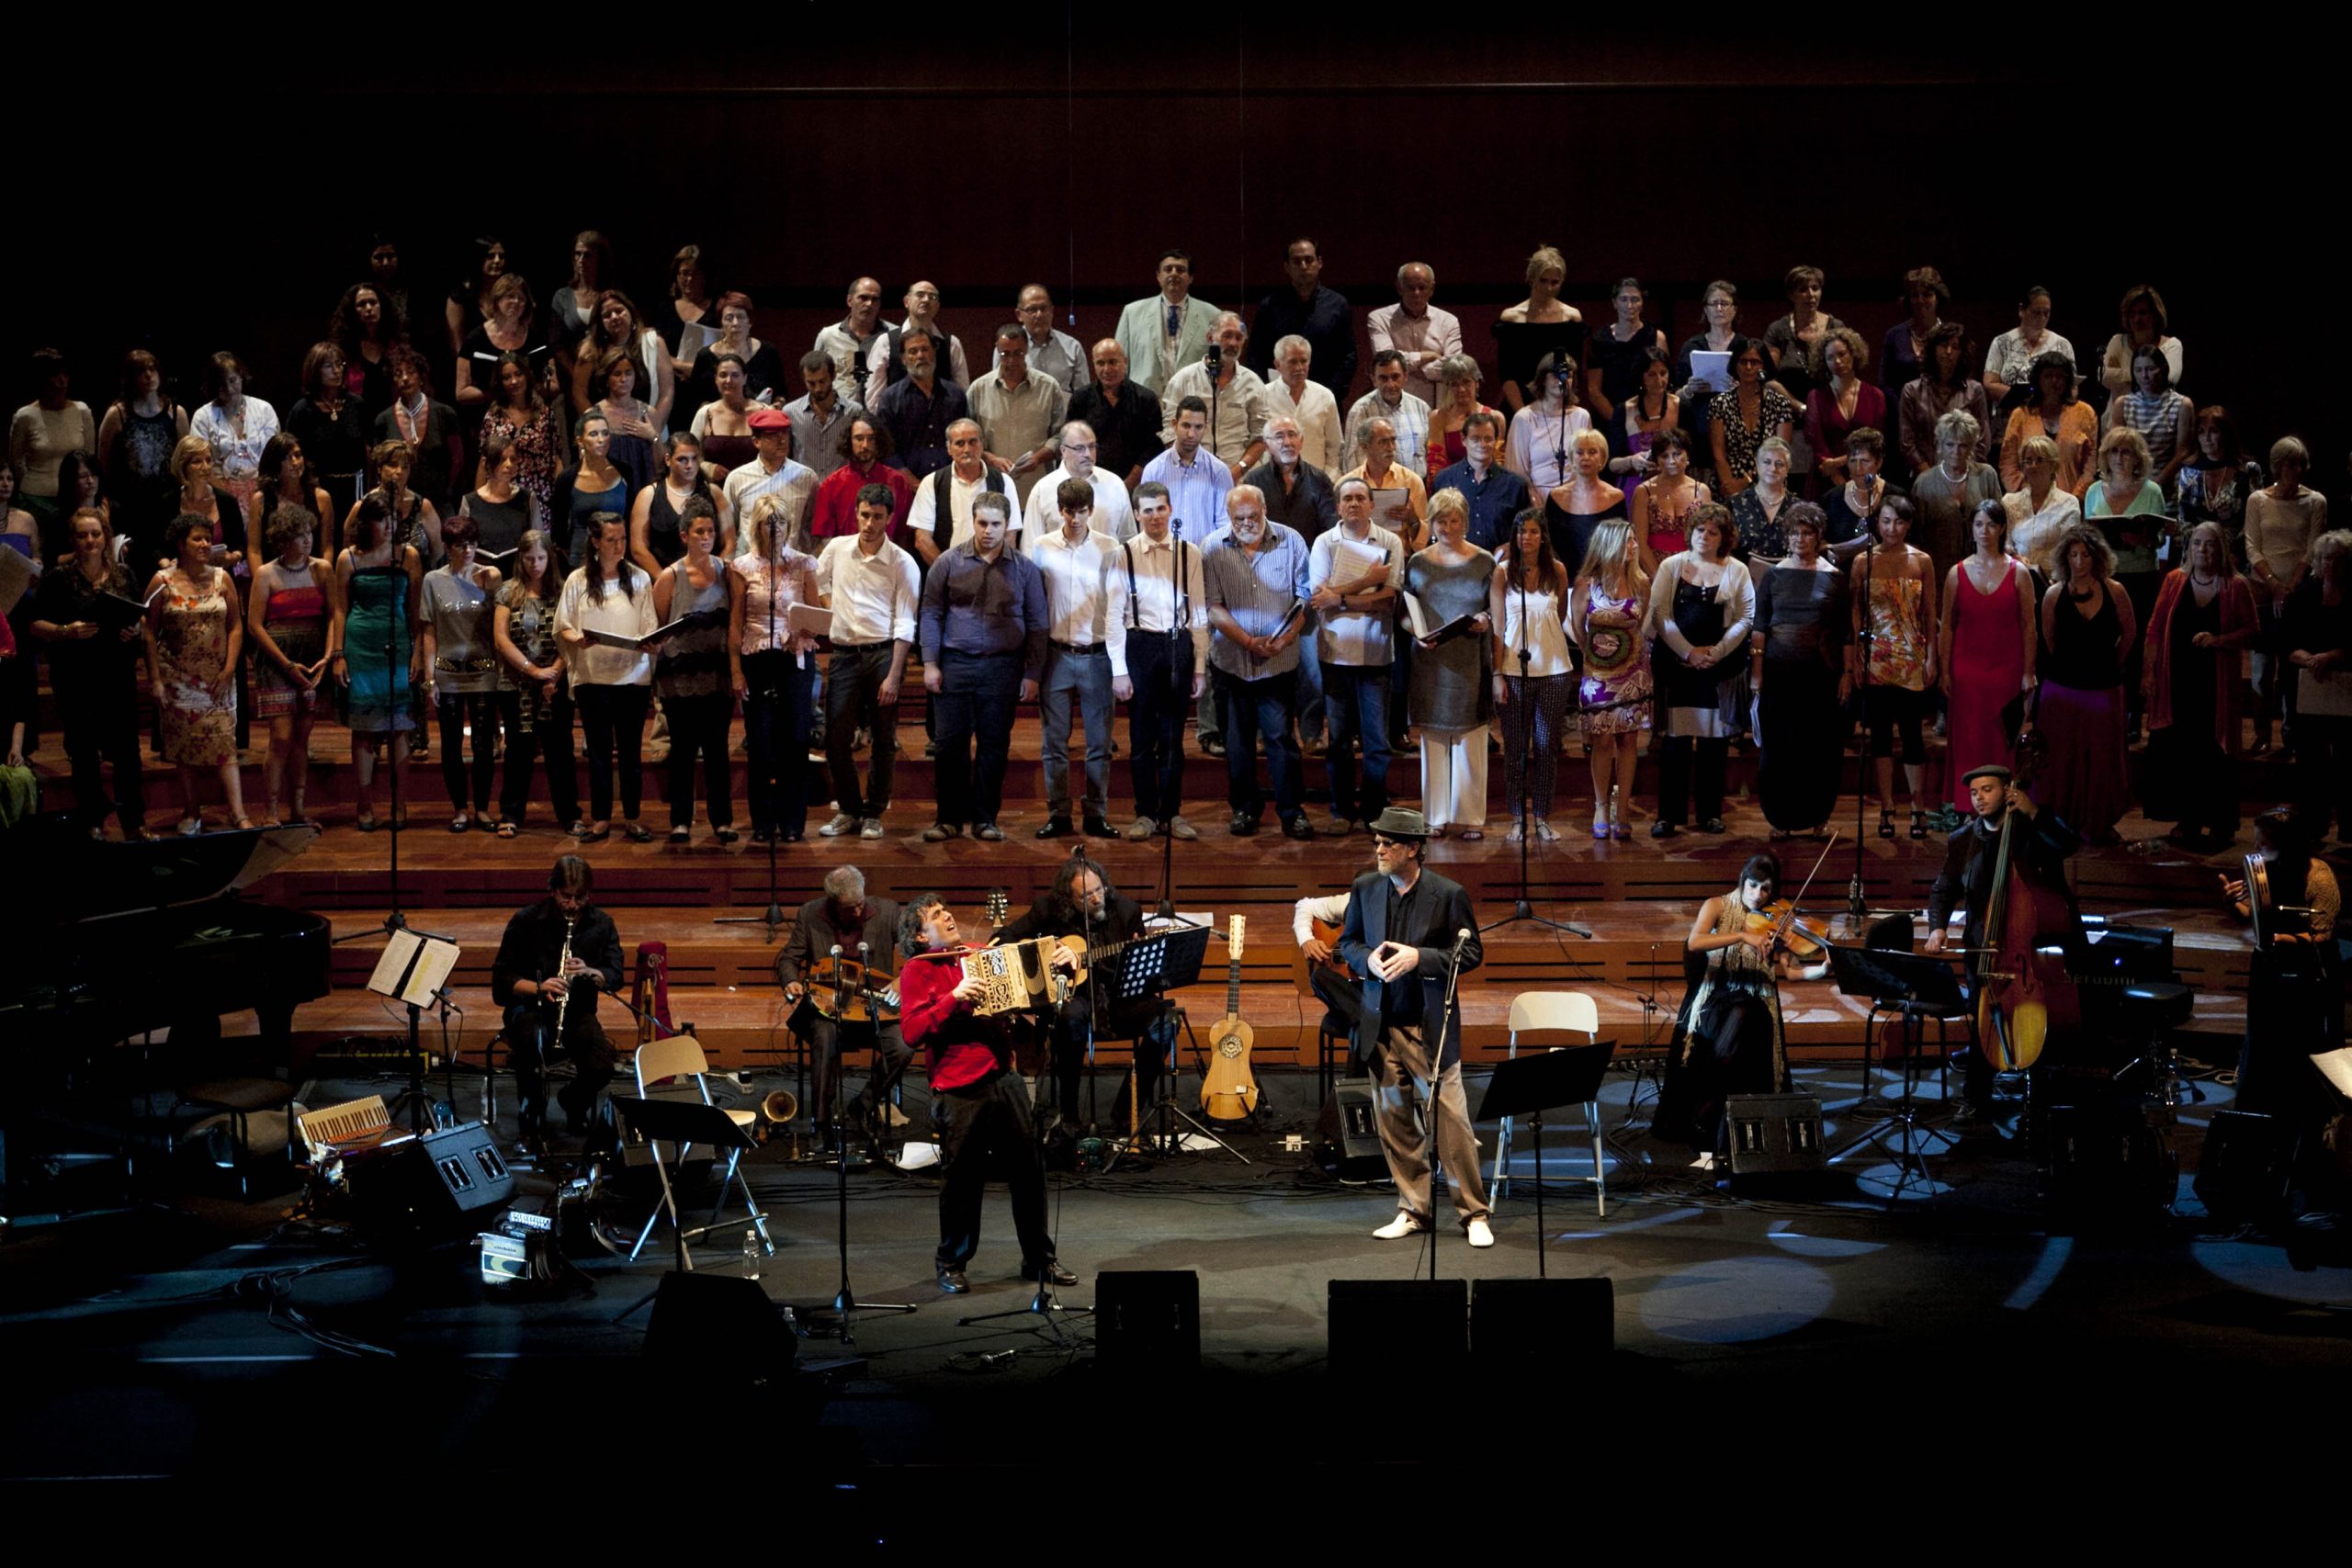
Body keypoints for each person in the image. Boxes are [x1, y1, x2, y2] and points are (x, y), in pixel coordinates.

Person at [897, 892, 1079, 1294]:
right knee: (962, 1181)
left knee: (1030, 1174)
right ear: (921, 936)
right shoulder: (917, 970)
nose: (947, 915)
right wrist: (953, 998)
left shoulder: (979, 953)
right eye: (936, 915)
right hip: (958, 1088)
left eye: (947, 909)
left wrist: (1064, 965)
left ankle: (1039, 1259)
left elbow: (1035, 981)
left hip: (1003, 1076)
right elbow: (911, 1033)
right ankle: (951, 1262)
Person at [1339, 807, 1494, 1247]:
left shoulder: (1447, 894)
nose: (1379, 849)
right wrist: (1364, 960)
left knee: (1451, 1122)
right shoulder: (1365, 887)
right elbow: (1347, 942)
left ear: (1414, 849)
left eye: (1388, 843)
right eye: (1377, 842)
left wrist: (1420, 957)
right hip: (1381, 1026)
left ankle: (1473, 1214)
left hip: (1429, 1029)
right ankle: (1413, 1209)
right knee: (1395, 1123)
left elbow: (1472, 952)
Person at [1927, 766, 2083, 1119]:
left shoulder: (2032, 830)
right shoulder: (1963, 839)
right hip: (1983, 947)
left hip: (2030, 948)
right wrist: (1938, 927)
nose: (1979, 798)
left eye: (1987, 790)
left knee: (2045, 1021)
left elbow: (2071, 843)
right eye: (1974, 793)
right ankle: (1976, 1098)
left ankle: (2044, 1098)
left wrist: (2034, 811)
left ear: (2007, 791)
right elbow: (1943, 889)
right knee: (1983, 1020)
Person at [995, 859, 1179, 1131]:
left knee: (1167, 1020)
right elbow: (1008, 936)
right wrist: (1047, 954)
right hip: (1074, 1000)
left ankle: (1128, 1108)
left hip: (1116, 1000)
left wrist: (1140, 955)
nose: (1096, 898)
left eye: (1099, 889)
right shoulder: (1048, 910)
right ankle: (1069, 1117)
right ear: (1069, 898)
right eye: (1086, 895)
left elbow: (1141, 974)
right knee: (1069, 1019)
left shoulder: (1128, 911)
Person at [1659, 852, 1812, 1165]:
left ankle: (1720, 1118)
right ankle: (1710, 1111)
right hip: (1716, 998)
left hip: (1757, 1002)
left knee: (1750, 1012)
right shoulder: (1717, 905)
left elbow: (1792, 971)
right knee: (1740, 1016)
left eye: (1766, 889)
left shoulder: (1779, 920)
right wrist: (1743, 935)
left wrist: (1823, 968)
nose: (1758, 895)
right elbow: (1694, 942)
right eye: (1753, 885)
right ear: (1743, 881)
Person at [919, 491, 1046, 842]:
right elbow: (930, 612)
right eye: (982, 523)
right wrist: (930, 662)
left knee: (994, 745)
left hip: (1003, 667)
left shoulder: (1025, 568)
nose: (988, 531)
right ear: (972, 521)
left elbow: (1038, 623)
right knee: (949, 745)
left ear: (1008, 526)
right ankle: (948, 819)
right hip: (955, 663)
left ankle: (985, 818)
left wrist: (1033, 673)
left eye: (995, 524)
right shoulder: (947, 562)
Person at [2222, 807, 2347, 1128]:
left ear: (2286, 844)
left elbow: (2322, 933)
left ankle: (2307, 1125)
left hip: (2310, 973)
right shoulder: (2264, 870)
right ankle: (2258, 1120)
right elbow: (2250, 914)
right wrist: (2231, 902)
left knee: (2303, 1045)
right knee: (2263, 1041)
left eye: (2261, 844)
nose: (2255, 850)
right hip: (2269, 968)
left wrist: (2278, 938)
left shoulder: (2318, 875)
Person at [1203, 483, 1312, 839]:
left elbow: (1303, 600)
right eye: (1239, 518)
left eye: (1253, 516)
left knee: (1281, 739)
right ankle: (1245, 809)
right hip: (1232, 662)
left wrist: (1282, 640)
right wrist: (1248, 641)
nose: (1246, 523)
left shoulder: (1292, 541)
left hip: (1278, 662)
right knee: (1237, 742)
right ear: (1229, 517)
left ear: (1265, 509)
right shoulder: (1212, 547)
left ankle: (1292, 812)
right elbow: (1213, 607)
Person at [29, 508, 146, 837]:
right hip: (76, 676)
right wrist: (67, 630)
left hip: (117, 673)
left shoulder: (125, 575)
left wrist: (132, 631)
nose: (90, 540)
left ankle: (134, 821)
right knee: (83, 751)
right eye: (82, 535)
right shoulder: (58, 577)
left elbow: (139, 617)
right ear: (74, 540)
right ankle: (93, 820)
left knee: (127, 752)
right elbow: (35, 624)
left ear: (106, 537)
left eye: (95, 534)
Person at [492, 853, 623, 1145]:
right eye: (566, 897)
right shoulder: (526, 920)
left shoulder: (601, 924)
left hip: (576, 1012)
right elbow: (502, 978)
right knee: (532, 1041)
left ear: (589, 894)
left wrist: (590, 972)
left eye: (580, 898)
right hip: (529, 1009)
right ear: (552, 891)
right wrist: (538, 987)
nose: (573, 905)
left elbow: (615, 974)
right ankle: (532, 1112)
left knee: (602, 1066)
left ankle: (572, 1101)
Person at [814, 485, 920, 842]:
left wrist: (894, 675)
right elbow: (815, 579)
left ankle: (874, 811)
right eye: (864, 515)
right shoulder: (838, 548)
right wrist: (830, 607)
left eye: (877, 517)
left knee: (884, 739)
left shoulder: (902, 562)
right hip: (844, 652)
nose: (869, 523)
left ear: (890, 519)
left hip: (883, 654)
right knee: (836, 736)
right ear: (855, 513)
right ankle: (848, 808)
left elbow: (906, 623)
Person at [777, 866, 909, 1155]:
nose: (859, 911)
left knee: (904, 1043)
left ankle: (862, 1106)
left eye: (861, 903)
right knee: (825, 1038)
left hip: (876, 1008)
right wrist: (791, 981)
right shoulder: (810, 914)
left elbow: (916, 946)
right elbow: (789, 957)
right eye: (851, 908)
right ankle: (822, 1124)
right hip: (828, 1010)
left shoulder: (887, 911)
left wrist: (903, 978)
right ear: (833, 904)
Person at [2143, 522, 2257, 848]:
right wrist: (2148, 674)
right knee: (2183, 750)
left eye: (2209, 544)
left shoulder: (2236, 585)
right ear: (2188, 548)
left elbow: (2252, 630)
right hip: (2177, 680)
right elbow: (2154, 629)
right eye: (2197, 544)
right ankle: (2188, 819)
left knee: (2215, 752)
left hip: (2216, 685)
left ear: (2221, 548)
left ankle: (2221, 822)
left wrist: (2219, 640)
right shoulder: (2174, 581)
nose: (2202, 550)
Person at [1308, 476, 1407, 834]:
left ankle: (1374, 809)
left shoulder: (1390, 541)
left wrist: (1342, 599)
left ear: (1370, 505)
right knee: (1337, 741)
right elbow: (1319, 599)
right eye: (1346, 498)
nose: (1353, 503)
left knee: (1377, 743)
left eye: (1360, 498)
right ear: (1337, 506)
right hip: (1335, 654)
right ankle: (1341, 810)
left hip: (1377, 653)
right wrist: (1366, 581)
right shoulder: (1324, 542)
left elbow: (1388, 600)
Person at [1648, 502, 1753, 837]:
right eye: (1700, 530)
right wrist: (1688, 652)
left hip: (1717, 668)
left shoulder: (1737, 570)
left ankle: (1710, 813)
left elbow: (1745, 618)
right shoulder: (1671, 566)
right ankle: (1668, 816)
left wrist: (1717, 653)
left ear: (1724, 537)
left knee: (1714, 743)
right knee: (1675, 744)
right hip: (1679, 667)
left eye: (1713, 532)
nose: (1705, 537)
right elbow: (1660, 614)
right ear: (1690, 532)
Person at [557, 511, 662, 843]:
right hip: (594, 676)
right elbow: (564, 625)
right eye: (611, 540)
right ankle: (601, 818)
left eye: (622, 540)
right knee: (599, 752)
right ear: (595, 542)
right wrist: (577, 639)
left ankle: (632, 817)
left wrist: (650, 641)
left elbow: (649, 623)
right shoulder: (578, 580)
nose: (619, 546)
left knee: (631, 753)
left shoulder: (639, 578)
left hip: (632, 678)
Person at [1029, 479, 1125, 840]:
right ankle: (1059, 814)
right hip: (1056, 653)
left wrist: (1119, 664)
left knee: (1099, 742)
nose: (1075, 519)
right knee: (1054, 742)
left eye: (1082, 511)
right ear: (1060, 510)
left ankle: (1096, 813)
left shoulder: (1109, 547)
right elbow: (1034, 603)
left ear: (1091, 510)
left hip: (1097, 654)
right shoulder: (1041, 547)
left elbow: (1117, 607)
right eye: (1069, 512)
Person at [144, 513, 250, 833]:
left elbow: (235, 626)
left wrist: (230, 668)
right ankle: (192, 810)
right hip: (177, 676)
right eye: (197, 538)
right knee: (184, 746)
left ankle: (238, 812)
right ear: (180, 543)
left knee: (225, 744)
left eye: (208, 538)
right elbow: (148, 631)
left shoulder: (223, 579)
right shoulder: (162, 581)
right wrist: (156, 680)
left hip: (217, 676)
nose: (206, 544)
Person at [1750, 503, 1849, 839]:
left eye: (1806, 532)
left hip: (1821, 674)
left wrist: (1848, 674)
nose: (1799, 538)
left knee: (1818, 746)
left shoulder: (1834, 577)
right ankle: (1781, 817)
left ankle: (1818, 816)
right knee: (1780, 747)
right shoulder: (1774, 574)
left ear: (1819, 536)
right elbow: (1760, 626)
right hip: (1779, 673)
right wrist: (1757, 673)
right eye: (1794, 532)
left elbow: (1844, 631)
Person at [1116, 481, 1208, 840]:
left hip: (1177, 646)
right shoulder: (1123, 554)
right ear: (1137, 514)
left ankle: (1172, 813)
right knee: (1140, 738)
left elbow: (1198, 613)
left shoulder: (1190, 554)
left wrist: (1199, 665)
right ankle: (1145, 814)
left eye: (1161, 509)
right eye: (1148, 510)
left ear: (1171, 511)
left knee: (1172, 738)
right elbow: (1114, 616)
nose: (1155, 516)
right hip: (1138, 645)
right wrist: (1119, 671)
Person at [2038, 523, 2138, 845]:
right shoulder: (2054, 594)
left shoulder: (2116, 591)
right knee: (2061, 759)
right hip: (2062, 693)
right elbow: (2049, 640)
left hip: (2104, 689)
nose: (2079, 562)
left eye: (2085, 555)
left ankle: (2097, 822)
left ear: (2097, 558)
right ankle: (2060, 821)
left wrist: (2110, 665)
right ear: (2065, 559)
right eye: (2073, 555)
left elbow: (2130, 633)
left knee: (2102, 759)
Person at [1408, 489, 1498, 838]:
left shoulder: (1483, 561)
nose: (1448, 527)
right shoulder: (1418, 563)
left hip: (1470, 658)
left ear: (1465, 521)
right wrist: (1414, 633)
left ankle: (1470, 818)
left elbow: (1496, 609)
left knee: (1470, 741)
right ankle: (1436, 817)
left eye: (1454, 520)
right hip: (1430, 659)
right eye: (1441, 521)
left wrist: (1486, 620)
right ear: (1431, 523)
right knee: (1433, 741)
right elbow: (1405, 611)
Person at [1936, 501, 2037, 813]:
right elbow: (1948, 627)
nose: (1984, 531)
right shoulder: (1957, 573)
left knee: (2002, 740)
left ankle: (2004, 804)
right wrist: (1945, 670)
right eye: (1979, 524)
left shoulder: (2019, 573)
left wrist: (2028, 672)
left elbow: (2028, 626)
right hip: (1967, 671)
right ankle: (1968, 807)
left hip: (2007, 670)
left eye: (1991, 525)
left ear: (2002, 528)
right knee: (1968, 740)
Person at [1245, 413, 1338, 751]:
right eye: (1279, 436)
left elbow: (1329, 532)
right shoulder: (1254, 482)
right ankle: (1263, 736)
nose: (1287, 442)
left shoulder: (1320, 481)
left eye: (1292, 435)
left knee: (1311, 670)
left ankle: (1312, 735)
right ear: (1267, 445)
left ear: (1301, 440)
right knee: (1264, 667)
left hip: (1306, 587)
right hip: (1263, 587)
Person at [1849, 496, 1939, 838]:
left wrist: (1932, 656)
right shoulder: (1863, 562)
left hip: (1912, 657)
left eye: (1899, 523)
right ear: (1877, 522)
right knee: (1881, 737)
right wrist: (1857, 655)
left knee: (1913, 736)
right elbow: (1856, 612)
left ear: (1909, 525)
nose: (1892, 529)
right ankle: (1887, 806)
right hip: (1876, 658)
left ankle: (1917, 806)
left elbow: (1930, 613)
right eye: (1886, 521)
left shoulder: (1922, 561)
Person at [651, 499, 738, 844]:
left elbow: (734, 619)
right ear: (684, 535)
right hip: (679, 676)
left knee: (717, 749)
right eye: (699, 531)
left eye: (711, 531)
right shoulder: (669, 577)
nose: (706, 537)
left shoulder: (727, 571)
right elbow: (658, 627)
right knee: (684, 750)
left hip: (716, 673)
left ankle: (721, 820)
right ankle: (681, 820)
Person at [334, 494, 419, 829]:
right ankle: (365, 802)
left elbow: (415, 612)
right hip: (360, 644)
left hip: (396, 643)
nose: (389, 527)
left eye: (393, 520)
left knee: (400, 727)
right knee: (365, 730)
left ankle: (400, 804)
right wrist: (338, 655)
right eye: (382, 520)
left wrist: (416, 650)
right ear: (366, 523)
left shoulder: (408, 556)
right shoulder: (348, 559)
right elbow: (340, 608)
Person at [246, 505, 334, 827]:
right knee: (281, 736)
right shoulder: (266, 573)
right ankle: (270, 810)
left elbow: (333, 615)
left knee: (302, 737)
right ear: (284, 540)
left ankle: (298, 809)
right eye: (299, 535)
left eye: (309, 533)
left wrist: (328, 656)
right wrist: (286, 665)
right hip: (277, 661)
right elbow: (255, 625)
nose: (307, 540)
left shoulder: (322, 569)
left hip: (313, 659)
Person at [1489, 507, 1573, 842]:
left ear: (1543, 536)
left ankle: (1541, 815)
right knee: (1515, 748)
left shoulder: (1558, 571)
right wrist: (1497, 673)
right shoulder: (1502, 573)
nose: (1528, 537)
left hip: (1553, 669)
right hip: (1513, 669)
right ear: (1515, 535)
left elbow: (1561, 614)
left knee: (1546, 746)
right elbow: (1498, 626)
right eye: (1523, 531)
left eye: (1535, 531)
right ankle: (1517, 816)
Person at [420, 515, 505, 833]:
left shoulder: (489, 577)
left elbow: (501, 623)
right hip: (448, 671)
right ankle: (459, 809)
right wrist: (430, 679)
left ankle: (482, 808)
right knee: (451, 744)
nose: (468, 550)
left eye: (472, 543)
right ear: (447, 547)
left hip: (483, 669)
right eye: (460, 544)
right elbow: (429, 632)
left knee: (483, 745)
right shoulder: (433, 580)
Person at [492, 529, 578, 838]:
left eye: (540, 558)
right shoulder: (507, 592)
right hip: (517, 684)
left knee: (560, 751)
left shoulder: (563, 590)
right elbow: (501, 639)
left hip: (556, 681)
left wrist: (553, 671)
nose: (535, 564)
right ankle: (511, 814)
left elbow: (571, 634)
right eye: (529, 559)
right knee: (518, 750)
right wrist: (532, 670)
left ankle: (570, 815)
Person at [2086, 425, 2172, 734]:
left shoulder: (2151, 491)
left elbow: (2160, 537)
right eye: (2113, 451)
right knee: (2103, 642)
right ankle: (2104, 708)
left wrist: (2144, 538)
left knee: (2133, 643)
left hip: (2140, 577)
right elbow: (2088, 535)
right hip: (2106, 577)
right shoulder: (2095, 491)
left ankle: (2134, 713)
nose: (2120, 457)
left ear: (2138, 458)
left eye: (2126, 452)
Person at [1570, 518, 1651, 840]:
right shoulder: (1586, 584)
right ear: (1609, 544)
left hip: (1634, 672)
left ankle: (1623, 807)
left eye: (1634, 540)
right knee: (1602, 740)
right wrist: (1596, 656)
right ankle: (1601, 804)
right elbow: (1577, 626)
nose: (1634, 546)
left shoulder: (1641, 582)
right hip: (1599, 675)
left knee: (1628, 740)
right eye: (1628, 541)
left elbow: (1642, 623)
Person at [2247, 437, 2326, 757]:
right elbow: (2252, 545)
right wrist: (2273, 584)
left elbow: (2313, 547)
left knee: (2291, 670)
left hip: (2300, 593)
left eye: (2300, 464)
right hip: (2264, 592)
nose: (2295, 470)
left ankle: (2291, 735)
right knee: (2261, 670)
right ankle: (2262, 732)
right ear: (2276, 465)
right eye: (2289, 463)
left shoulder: (2316, 501)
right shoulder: (2257, 500)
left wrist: (2290, 587)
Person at [2285, 529, 2352, 841]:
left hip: (2345, 684)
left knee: (2347, 759)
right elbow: (2287, 639)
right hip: (2309, 683)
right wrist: (2309, 658)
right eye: (2325, 557)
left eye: (2337, 559)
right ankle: (2314, 824)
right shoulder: (2305, 593)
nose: (2330, 564)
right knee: (2311, 760)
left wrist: (2332, 655)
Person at [96, 350, 189, 564]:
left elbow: (185, 458)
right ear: (130, 378)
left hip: (167, 503)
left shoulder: (175, 412)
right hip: (131, 505)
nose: (149, 375)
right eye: (141, 371)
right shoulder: (118, 414)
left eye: (152, 369)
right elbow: (103, 464)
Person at [967, 322, 1069, 509]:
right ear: (997, 351)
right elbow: (969, 438)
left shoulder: (1048, 387)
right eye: (1005, 354)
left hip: (1036, 488)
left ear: (1027, 350)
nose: (1011, 361)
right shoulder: (978, 389)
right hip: (991, 488)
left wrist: (1038, 457)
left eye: (1018, 353)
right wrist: (991, 459)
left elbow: (1060, 435)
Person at [1159, 313, 1269, 477]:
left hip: (1237, 477)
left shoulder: (1253, 384)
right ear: (1210, 338)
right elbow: (1169, 429)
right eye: (1227, 336)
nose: (1233, 343)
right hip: (1190, 474)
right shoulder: (1184, 379)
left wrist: (1239, 470)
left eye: (1239, 338)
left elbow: (1261, 436)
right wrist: (1187, 466)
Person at [1248, 236, 1354, 400]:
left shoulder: (1338, 305)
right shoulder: (1270, 306)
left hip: (1324, 397)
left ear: (1319, 263)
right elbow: (1256, 355)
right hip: (1278, 398)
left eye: (1309, 260)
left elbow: (1348, 356)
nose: (1303, 266)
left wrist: (1332, 394)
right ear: (1287, 267)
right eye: (1297, 262)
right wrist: (1266, 393)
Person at [12, 348, 97, 547]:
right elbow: (16, 462)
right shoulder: (25, 416)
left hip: (73, 500)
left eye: (65, 375)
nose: (62, 382)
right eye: (55, 375)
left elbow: (89, 458)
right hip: (36, 501)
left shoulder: (81, 411)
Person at [1114, 248, 1218, 397]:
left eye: (1181, 270)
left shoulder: (1212, 315)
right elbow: (1119, 362)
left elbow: (1218, 364)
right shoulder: (1132, 313)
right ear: (1158, 276)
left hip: (1193, 400)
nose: (1174, 273)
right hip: (1143, 400)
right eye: (1168, 269)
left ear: (1191, 278)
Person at [1910, 410, 2003, 578]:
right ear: (1939, 446)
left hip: (1981, 570)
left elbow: (2000, 523)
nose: (1956, 451)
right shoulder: (1924, 483)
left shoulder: (1987, 475)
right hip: (1938, 572)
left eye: (1963, 445)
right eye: (1950, 445)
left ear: (1972, 447)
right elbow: (1916, 537)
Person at [906, 419, 1010, 566]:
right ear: (949, 448)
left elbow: (1010, 534)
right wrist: (949, 573)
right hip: (947, 577)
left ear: (982, 445)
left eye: (973, 442)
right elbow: (922, 539)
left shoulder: (1003, 481)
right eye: (960, 443)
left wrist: (992, 572)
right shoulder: (932, 482)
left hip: (994, 574)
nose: (967, 449)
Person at [372, 347, 462, 515]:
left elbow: (457, 458)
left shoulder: (444, 413)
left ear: (421, 376)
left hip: (439, 502)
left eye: (410, 372)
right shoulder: (383, 420)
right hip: (398, 503)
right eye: (398, 374)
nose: (405, 378)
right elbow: (378, 463)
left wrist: (446, 488)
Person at [1492, 245, 1583, 412]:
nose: (1549, 288)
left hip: (1558, 404)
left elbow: (1573, 372)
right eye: (1543, 280)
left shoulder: (1571, 318)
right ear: (1531, 278)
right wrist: (1523, 414)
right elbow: (1507, 375)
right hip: (1520, 404)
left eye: (1554, 282)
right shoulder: (1512, 318)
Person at [1898, 321, 1992, 481]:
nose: (1949, 351)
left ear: (1962, 352)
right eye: (1943, 345)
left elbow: (1982, 440)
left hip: (1966, 477)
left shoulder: (1975, 390)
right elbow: (1907, 443)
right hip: (1924, 477)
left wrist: (1961, 473)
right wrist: (1931, 476)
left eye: (1955, 347)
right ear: (1933, 349)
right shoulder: (1912, 390)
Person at [1999, 350, 2098, 500]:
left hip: (2074, 503)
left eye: (2059, 376)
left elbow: (2091, 463)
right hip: (2028, 504)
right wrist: (2024, 494)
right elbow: (2008, 463)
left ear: (2068, 380)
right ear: (2038, 379)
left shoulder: (2085, 413)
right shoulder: (2020, 415)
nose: (2054, 381)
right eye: (2048, 376)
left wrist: (2076, 498)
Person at [1708, 338, 1801, 498]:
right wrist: (1730, 487)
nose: (1749, 367)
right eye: (1743, 362)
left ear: (1764, 366)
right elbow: (1719, 455)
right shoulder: (1719, 404)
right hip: (1728, 482)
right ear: (1735, 365)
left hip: (1770, 479)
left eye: (1755, 362)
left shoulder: (1780, 404)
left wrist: (1746, 481)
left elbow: (1780, 453)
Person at [1427, 410, 1530, 553]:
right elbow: (1432, 529)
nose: (1482, 444)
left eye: (1488, 439)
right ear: (1463, 440)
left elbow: (1526, 531)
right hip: (1453, 565)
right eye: (1475, 439)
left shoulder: (1515, 485)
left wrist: (1511, 547)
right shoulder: (1444, 479)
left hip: (1499, 566)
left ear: (1496, 440)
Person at [630, 431, 733, 574]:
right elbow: (638, 548)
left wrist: (715, 574)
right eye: (682, 459)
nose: (690, 465)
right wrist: (667, 581)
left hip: (709, 580)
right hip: (665, 581)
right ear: (668, 460)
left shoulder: (714, 493)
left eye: (694, 458)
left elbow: (729, 543)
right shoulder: (648, 495)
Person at [571, 289, 673, 433]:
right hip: (603, 435)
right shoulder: (590, 348)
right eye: (607, 315)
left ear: (631, 312)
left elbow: (667, 393)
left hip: (647, 430)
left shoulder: (653, 343)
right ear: (600, 323)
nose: (614, 317)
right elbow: (579, 393)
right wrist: (596, 427)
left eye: (619, 311)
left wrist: (653, 429)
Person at [455, 272, 557, 413]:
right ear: (497, 299)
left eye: (521, 298)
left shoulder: (537, 340)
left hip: (530, 415)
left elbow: (554, 384)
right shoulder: (474, 340)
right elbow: (461, 392)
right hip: (485, 416)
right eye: (510, 296)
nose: (516, 302)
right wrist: (497, 394)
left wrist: (526, 391)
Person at [287, 344, 369, 518]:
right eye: (329, 366)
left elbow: (370, 448)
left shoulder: (357, 404)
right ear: (315, 370)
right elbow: (292, 453)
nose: (336, 371)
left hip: (355, 487)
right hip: (318, 488)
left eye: (339, 364)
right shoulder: (302, 410)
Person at [873, 333, 970, 480]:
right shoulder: (890, 398)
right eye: (913, 351)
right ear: (904, 359)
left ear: (934, 353)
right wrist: (912, 483)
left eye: (925, 349)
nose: (920, 356)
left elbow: (965, 440)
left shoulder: (955, 394)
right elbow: (886, 448)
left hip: (951, 482)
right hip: (906, 488)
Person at [2177, 405, 2263, 571]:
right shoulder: (2189, 471)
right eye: (2201, 432)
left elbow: (2254, 519)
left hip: (2235, 559)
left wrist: (2233, 553)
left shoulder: (2247, 471)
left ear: (2225, 434)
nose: (2206, 438)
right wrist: (2201, 549)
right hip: (2196, 558)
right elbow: (2183, 519)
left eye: (2213, 431)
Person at [189, 352, 278, 511]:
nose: (229, 389)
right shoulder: (202, 416)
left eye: (232, 380)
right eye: (222, 384)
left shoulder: (264, 410)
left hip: (264, 492)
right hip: (220, 496)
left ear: (242, 377)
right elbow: (199, 464)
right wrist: (227, 497)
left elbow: (276, 455)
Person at [810, 413, 915, 549]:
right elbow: (824, 538)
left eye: (871, 439)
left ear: (879, 441)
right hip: (846, 564)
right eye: (859, 439)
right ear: (849, 441)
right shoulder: (831, 484)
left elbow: (904, 534)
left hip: (887, 563)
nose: (865, 445)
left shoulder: (898, 482)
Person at [1068, 339, 1162, 488]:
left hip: (1137, 484)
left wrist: (1127, 485)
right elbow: (1072, 444)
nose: (1106, 369)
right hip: (1090, 484)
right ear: (1093, 364)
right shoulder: (1081, 399)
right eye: (1100, 363)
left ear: (1125, 362)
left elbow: (1152, 447)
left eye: (1112, 362)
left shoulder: (1146, 399)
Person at [1021, 422, 1135, 545]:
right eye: (1080, 448)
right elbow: (1030, 546)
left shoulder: (1115, 485)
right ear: (1063, 451)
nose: (1088, 454)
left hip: (1107, 562)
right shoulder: (1043, 489)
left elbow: (1128, 540)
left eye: (1091, 446)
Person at [477, 351, 561, 515]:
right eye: (506, 377)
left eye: (518, 374)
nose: (513, 381)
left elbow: (556, 459)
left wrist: (560, 498)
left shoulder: (546, 415)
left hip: (540, 495)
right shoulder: (493, 416)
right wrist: (480, 503)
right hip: (501, 492)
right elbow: (484, 462)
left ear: (527, 376)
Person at [1139, 396, 1232, 544]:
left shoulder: (1219, 471)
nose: (1191, 434)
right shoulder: (1154, 470)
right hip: (1164, 557)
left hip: (1206, 559)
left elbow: (1225, 525)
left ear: (1206, 427)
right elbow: (1146, 521)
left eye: (1198, 427)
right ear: (1174, 424)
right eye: (1186, 426)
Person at [2103, 342, 2194, 491]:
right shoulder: (2124, 404)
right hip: (2130, 486)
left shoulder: (2182, 404)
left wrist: (2156, 485)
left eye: (2150, 369)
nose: (2144, 375)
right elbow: (2115, 447)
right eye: (2138, 370)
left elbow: (2183, 452)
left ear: (2163, 369)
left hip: (2167, 486)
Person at [1369, 261, 1463, 406]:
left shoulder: (1448, 321)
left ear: (1432, 289)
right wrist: (1426, 356)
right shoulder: (1379, 318)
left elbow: (1452, 368)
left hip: (1438, 408)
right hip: (1394, 405)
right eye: (1411, 288)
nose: (1416, 294)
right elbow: (1386, 363)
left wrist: (1418, 369)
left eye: (1422, 288)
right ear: (1399, 288)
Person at [1804, 328, 1885, 492]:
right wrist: (1837, 477)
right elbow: (1818, 444)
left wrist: (1840, 462)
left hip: (1865, 475)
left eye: (1842, 354)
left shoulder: (1875, 395)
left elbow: (1877, 442)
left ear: (1854, 354)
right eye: (1830, 358)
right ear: (1824, 363)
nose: (1837, 361)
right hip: (1826, 479)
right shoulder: (1816, 397)